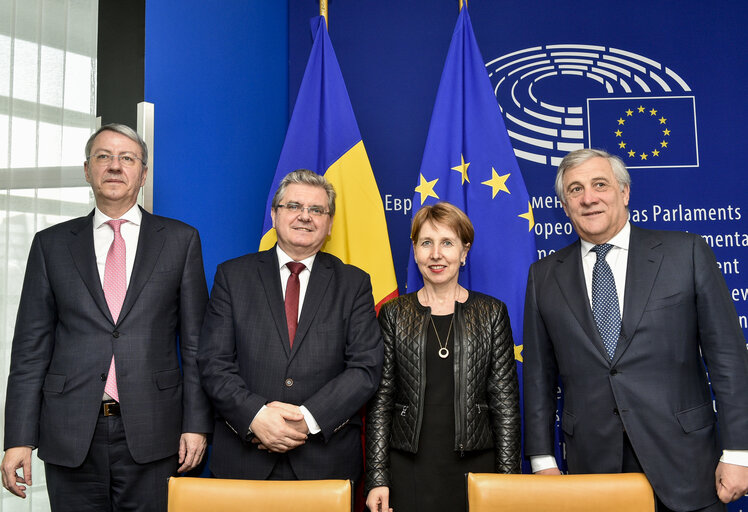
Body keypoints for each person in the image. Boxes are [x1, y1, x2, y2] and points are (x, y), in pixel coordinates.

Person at [1, 124, 212, 511]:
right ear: (87, 170)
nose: (115, 166)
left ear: (143, 174)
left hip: (154, 430)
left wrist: (196, 424)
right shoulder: (51, 245)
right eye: (103, 157)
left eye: (127, 158)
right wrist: (18, 437)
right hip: (69, 431)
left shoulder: (181, 241)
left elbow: (198, 345)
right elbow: (30, 350)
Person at [523, 148, 748, 512]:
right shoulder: (544, 275)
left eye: (600, 185)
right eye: (575, 190)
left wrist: (739, 452)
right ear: (564, 206)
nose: (589, 198)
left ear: (624, 192)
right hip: (593, 469)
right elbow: (538, 378)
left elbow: (728, 360)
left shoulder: (685, 253)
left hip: (686, 464)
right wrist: (542, 460)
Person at [197, 169, 383, 483]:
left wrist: (306, 420)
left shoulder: (354, 284)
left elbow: (365, 368)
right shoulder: (232, 277)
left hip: (325, 465)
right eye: (294, 206)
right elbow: (213, 362)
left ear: (330, 223)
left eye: (316, 210)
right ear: (274, 214)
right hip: (245, 460)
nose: (305, 217)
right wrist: (256, 416)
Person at [365, 202, 521, 512]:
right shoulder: (394, 314)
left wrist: (508, 481)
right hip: (408, 466)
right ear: (415, 250)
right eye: (427, 243)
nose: (436, 254)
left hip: (475, 466)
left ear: (464, 252)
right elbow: (381, 402)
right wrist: (377, 477)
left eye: (447, 243)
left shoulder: (491, 313)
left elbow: (505, 405)